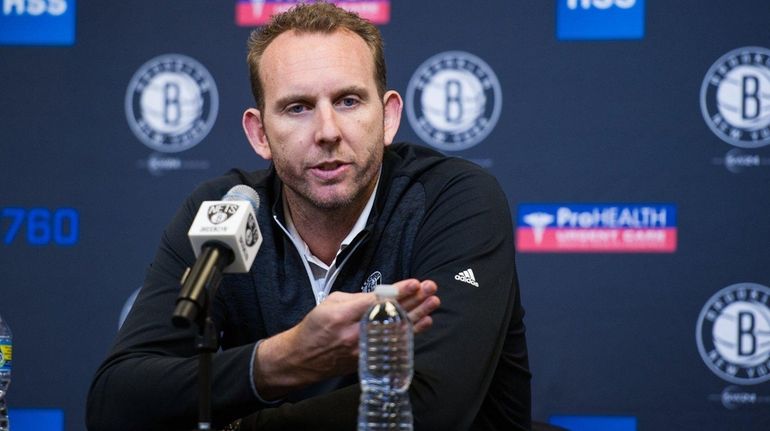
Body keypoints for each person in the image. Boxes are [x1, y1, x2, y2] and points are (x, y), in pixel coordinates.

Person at [87, 2, 530, 430]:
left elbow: (430, 406)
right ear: (260, 133)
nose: (327, 132)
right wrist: (280, 360)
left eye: (349, 101)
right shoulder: (225, 210)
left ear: (389, 116)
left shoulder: (452, 198)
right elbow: (116, 403)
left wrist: (238, 425)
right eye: (297, 108)